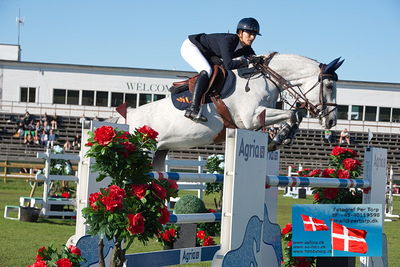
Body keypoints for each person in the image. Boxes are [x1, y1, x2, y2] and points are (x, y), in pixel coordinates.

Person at [180, 17, 262, 122]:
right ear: (240, 32)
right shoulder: (229, 40)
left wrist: (259, 60)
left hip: (207, 53)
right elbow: (228, 64)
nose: (252, 37)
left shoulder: (246, 48)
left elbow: (254, 60)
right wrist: (246, 62)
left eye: (254, 35)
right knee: (206, 70)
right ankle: (193, 108)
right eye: (249, 34)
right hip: (191, 46)